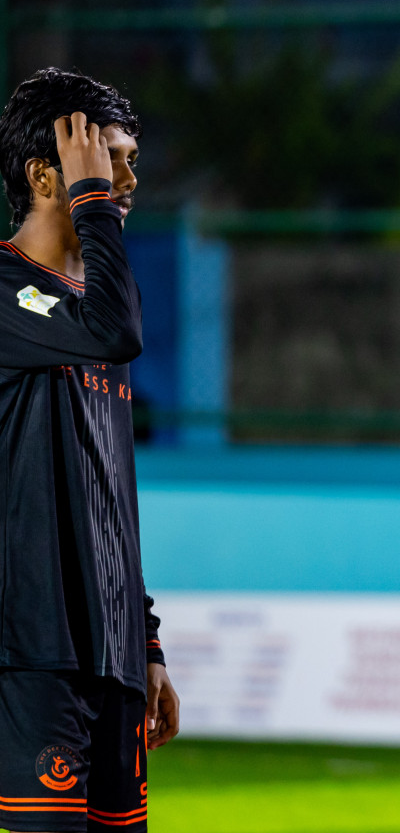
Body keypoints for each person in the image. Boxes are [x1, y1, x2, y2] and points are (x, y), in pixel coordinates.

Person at [0, 68, 179, 833]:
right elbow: (117, 333)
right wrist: (95, 203)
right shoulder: (7, 290)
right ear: (47, 174)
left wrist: (146, 639)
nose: (126, 179)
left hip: (110, 661)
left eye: (129, 159)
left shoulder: (88, 304)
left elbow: (108, 493)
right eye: (109, 158)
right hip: (33, 655)